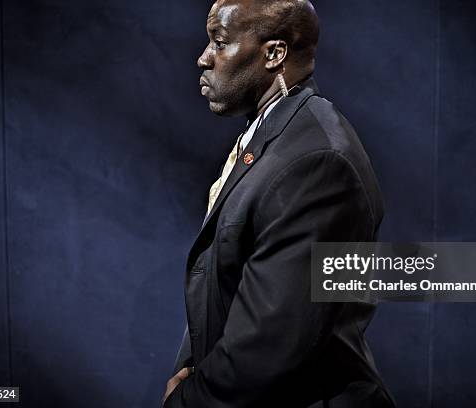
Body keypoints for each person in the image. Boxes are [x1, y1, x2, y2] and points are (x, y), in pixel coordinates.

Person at [163, 0, 394, 406]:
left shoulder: (315, 161)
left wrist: (188, 400)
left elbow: (270, 343)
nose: (203, 58)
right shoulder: (274, 135)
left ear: (274, 53)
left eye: (219, 42)